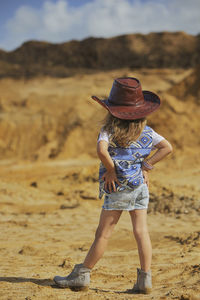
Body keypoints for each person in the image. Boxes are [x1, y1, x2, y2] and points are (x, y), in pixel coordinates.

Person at [53, 77, 173, 294]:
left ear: (112, 110)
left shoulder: (109, 130)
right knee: (141, 231)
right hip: (140, 187)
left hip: (116, 188)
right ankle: (145, 279)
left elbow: (101, 151)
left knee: (104, 233)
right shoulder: (147, 133)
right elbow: (167, 148)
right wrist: (146, 166)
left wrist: (110, 170)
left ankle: (82, 275)